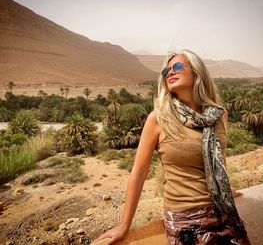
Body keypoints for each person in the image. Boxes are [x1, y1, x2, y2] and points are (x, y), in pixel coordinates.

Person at [93, 49, 251, 245]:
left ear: (196, 72)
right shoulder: (159, 118)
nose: (170, 72)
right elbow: (139, 172)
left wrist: (225, 189)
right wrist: (125, 224)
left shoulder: (218, 116)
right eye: (166, 71)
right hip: (187, 220)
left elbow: (219, 157)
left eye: (176, 66)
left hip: (224, 212)